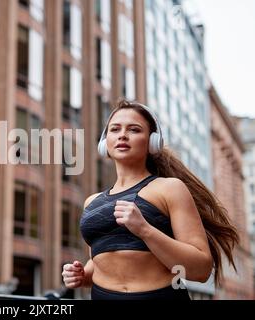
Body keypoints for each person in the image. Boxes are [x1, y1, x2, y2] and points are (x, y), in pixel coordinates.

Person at [61, 99, 239, 300]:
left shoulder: (170, 188)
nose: (122, 135)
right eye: (115, 129)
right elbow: (101, 261)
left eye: (134, 130)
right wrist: (82, 275)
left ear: (153, 141)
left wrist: (145, 230)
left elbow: (200, 269)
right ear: (105, 142)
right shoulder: (92, 203)